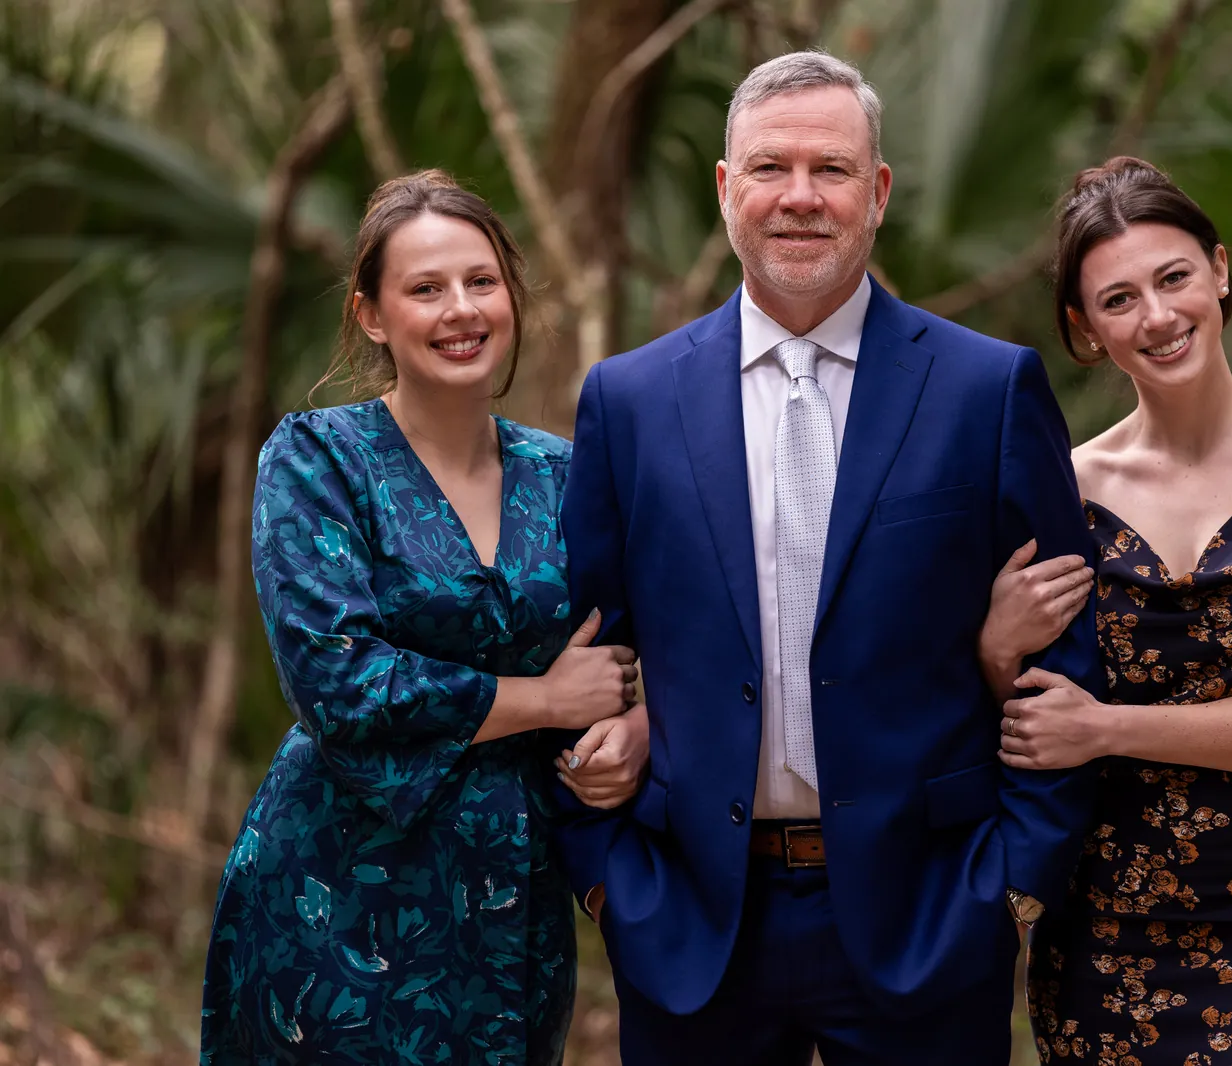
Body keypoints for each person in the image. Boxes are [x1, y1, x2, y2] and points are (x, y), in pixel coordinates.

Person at [553, 50, 1102, 1065]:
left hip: (929, 911)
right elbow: (586, 646)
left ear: (878, 192)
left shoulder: (986, 390)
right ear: (726, 190)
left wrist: (1015, 883)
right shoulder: (626, 403)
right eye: (769, 168)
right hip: (688, 917)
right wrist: (605, 871)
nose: (798, 197)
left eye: (831, 170)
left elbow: (1063, 657)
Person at [198, 170, 648, 1066]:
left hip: (513, 892)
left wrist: (633, 722)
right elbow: (339, 682)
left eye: (481, 282)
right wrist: (543, 700)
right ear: (372, 314)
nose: (461, 310)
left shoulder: (568, 472)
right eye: (426, 288)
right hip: (338, 886)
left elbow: (639, 644)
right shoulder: (318, 458)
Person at [979, 156, 1232, 1065]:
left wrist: (1109, 728)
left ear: (1221, 271)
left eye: (1174, 278)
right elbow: (1033, 716)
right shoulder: (1065, 488)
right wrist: (997, 648)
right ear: (1086, 329)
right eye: (1119, 300)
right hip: (1099, 916)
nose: (1157, 317)